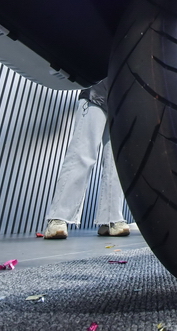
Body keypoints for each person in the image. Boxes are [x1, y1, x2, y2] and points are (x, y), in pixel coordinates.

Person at [44, 83, 130, 239]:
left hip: (121, 103)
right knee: (82, 154)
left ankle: (111, 220)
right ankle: (58, 218)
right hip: (95, 95)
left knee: (116, 163)